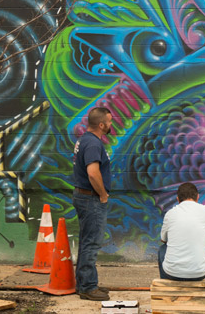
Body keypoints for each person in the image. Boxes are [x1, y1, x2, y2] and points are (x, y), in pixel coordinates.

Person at [72, 107, 113, 301]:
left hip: (83, 196)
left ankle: (83, 284)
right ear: (101, 124)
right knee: (91, 242)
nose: (111, 125)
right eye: (110, 122)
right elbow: (93, 173)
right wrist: (103, 194)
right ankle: (88, 287)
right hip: (91, 198)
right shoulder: (93, 144)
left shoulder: (84, 140)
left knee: (86, 240)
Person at [159, 182, 205, 280]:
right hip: (200, 273)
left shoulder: (170, 214)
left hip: (172, 273)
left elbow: (164, 240)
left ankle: (165, 285)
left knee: (162, 249)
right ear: (198, 197)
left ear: (178, 199)